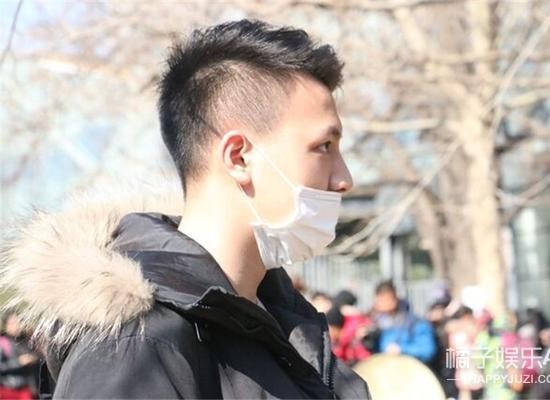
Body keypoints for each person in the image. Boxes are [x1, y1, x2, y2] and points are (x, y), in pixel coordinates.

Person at [1, 19, 370, 399]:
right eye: (324, 147)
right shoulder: (135, 346)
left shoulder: (284, 320)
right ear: (239, 157)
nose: (343, 179)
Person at [371, 281, 436, 364]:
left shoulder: (415, 323)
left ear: (394, 299)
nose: (382, 305)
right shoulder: (377, 324)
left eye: (385, 300)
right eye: (379, 301)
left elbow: (427, 351)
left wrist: (401, 349)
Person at [0, 312, 40, 400]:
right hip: (8, 391)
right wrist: (18, 362)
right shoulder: (2, 343)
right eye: (13, 322)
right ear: (6, 325)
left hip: (28, 390)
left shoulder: (26, 341)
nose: (18, 325)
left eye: (20, 322)